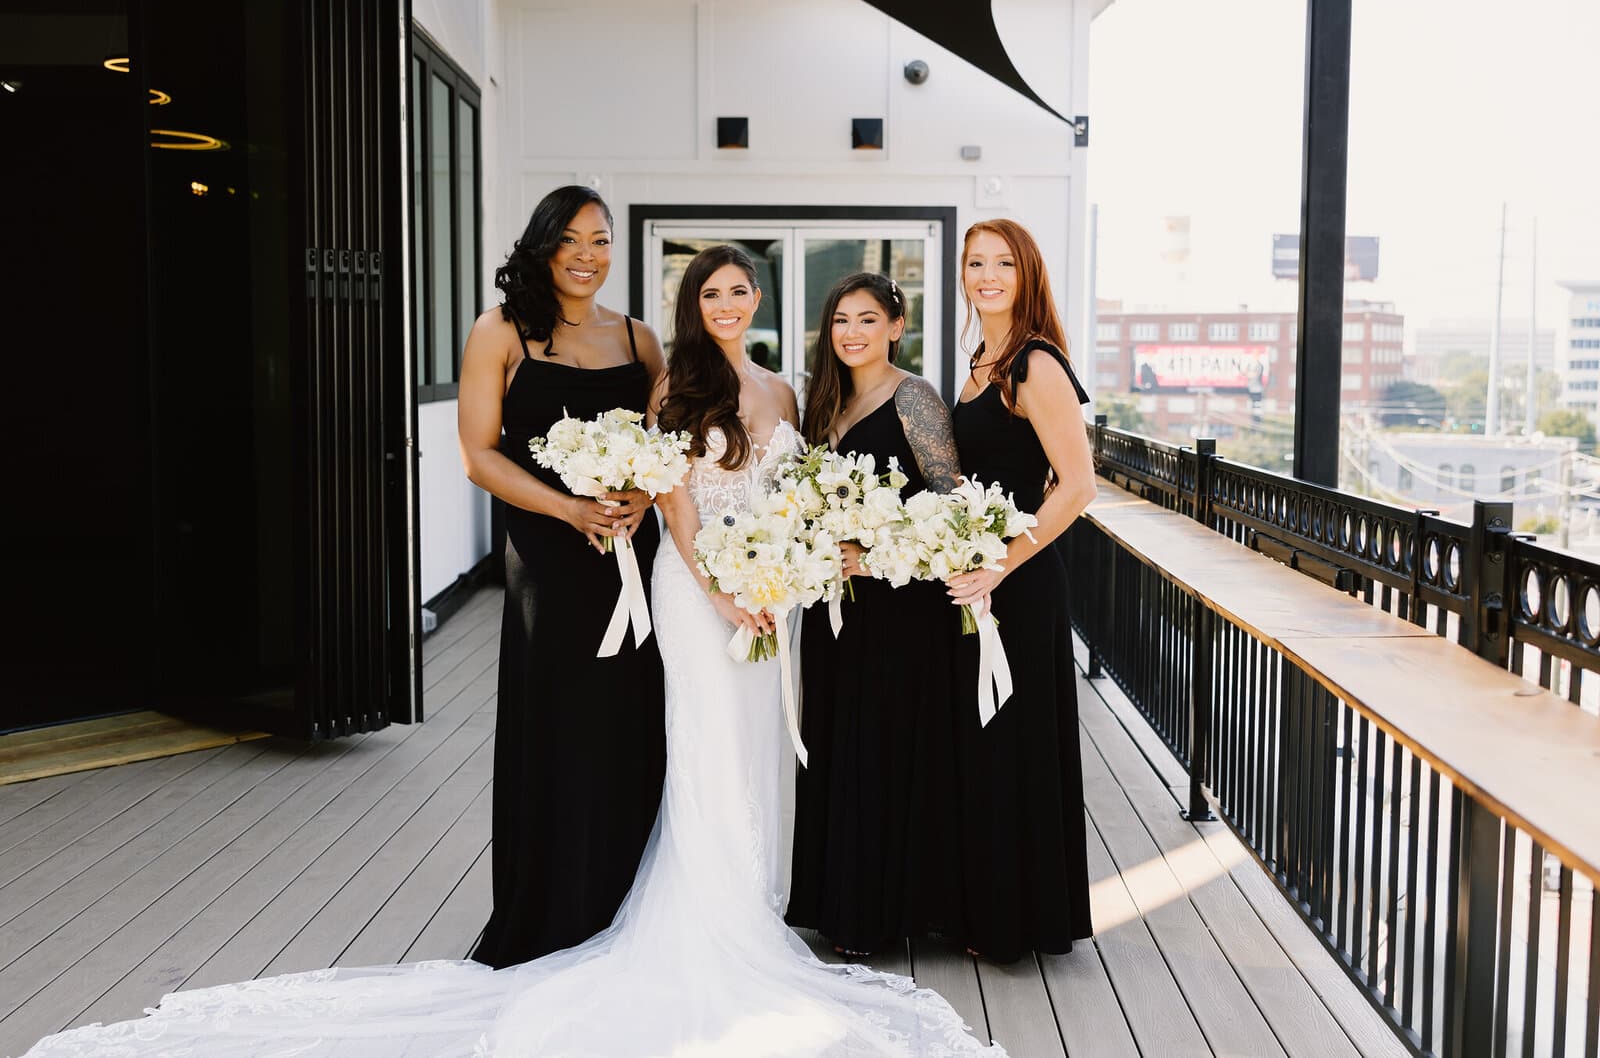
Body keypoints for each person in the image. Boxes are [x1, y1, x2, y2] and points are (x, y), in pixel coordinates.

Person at [22, 246, 1002, 1057]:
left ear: (759, 300)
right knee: (704, 739)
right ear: (691, 303)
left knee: (761, 743)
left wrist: (778, 582)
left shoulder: (784, 385)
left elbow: (791, 498)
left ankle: (765, 890)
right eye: (711, 290)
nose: (728, 303)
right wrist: (721, 592)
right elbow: (673, 502)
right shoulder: (676, 379)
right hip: (702, 591)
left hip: (770, 596)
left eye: (740, 289)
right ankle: (712, 907)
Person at [459, 184, 667, 967]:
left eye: (602, 240)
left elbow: (668, 440)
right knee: (556, 720)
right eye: (572, 240)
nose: (588, 255)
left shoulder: (640, 340)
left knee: (629, 717)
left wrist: (639, 496)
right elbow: (479, 454)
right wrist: (567, 510)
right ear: (544, 246)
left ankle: (624, 898)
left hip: (630, 554)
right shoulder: (501, 330)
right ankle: (550, 907)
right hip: (548, 557)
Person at [787, 272, 964, 957]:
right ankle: (834, 903)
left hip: (898, 609)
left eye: (867, 319)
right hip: (834, 606)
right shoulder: (823, 400)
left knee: (883, 751)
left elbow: (950, 501)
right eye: (840, 320)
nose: (852, 332)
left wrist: (879, 549)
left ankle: (883, 915)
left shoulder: (914, 397)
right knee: (834, 744)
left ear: (897, 325)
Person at [945, 218, 1097, 964]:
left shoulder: (1036, 364)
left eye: (1003, 262)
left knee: (1017, 738)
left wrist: (1002, 564)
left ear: (1027, 272)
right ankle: (989, 908)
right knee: (986, 741)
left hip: (1022, 581)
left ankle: (1021, 922)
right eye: (976, 263)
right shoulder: (978, 360)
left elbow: (1078, 486)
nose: (988, 275)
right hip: (980, 577)